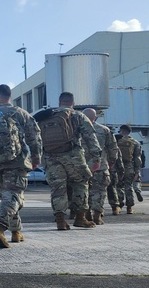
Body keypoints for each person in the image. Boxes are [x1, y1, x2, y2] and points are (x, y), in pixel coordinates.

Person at [0, 84, 42, 248]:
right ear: (8, 96)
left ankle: (16, 232)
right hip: (16, 161)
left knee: (7, 197)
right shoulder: (19, 113)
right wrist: (36, 157)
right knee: (13, 196)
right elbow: (34, 135)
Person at [36, 92, 101, 231]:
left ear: (59, 102)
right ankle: (80, 218)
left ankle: (60, 220)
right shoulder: (78, 115)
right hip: (73, 156)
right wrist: (96, 157)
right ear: (73, 103)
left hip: (50, 157)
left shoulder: (46, 115)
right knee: (81, 183)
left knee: (57, 188)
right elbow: (90, 137)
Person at [82, 108, 119, 225]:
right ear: (96, 117)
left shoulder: (76, 130)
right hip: (100, 166)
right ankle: (97, 216)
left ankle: (86, 214)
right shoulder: (104, 130)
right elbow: (113, 148)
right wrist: (112, 161)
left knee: (83, 191)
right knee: (100, 191)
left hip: (82, 167)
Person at [116, 125, 143, 215]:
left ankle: (119, 205)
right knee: (129, 186)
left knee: (119, 186)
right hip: (129, 166)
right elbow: (137, 158)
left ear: (122, 131)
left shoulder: (116, 140)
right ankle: (129, 207)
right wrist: (137, 171)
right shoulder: (135, 142)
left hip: (117, 166)